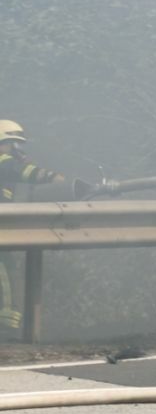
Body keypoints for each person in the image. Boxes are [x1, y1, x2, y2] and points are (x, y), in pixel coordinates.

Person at [0, 120, 92, 332]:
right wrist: (53, 178)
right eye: (14, 144)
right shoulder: (3, 162)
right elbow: (24, 171)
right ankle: (6, 325)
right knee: (4, 271)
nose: (17, 150)